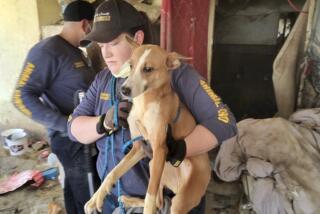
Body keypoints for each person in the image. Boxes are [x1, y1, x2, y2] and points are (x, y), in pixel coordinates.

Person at [67, 0, 237, 213]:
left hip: (163, 201)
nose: (106, 54)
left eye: (113, 43)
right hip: (113, 201)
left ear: (136, 39)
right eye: (101, 46)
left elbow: (225, 122)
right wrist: (103, 123)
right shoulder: (103, 80)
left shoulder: (176, 74)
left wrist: (181, 148)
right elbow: (73, 128)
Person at [12, 1, 100, 214]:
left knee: (75, 192)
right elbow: (20, 97)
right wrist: (64, 125)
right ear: (86, 25)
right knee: (89, 199)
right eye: (95, 28)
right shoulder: (47, 51)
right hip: (71, 141)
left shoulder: (75, 51)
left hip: (84, 136)